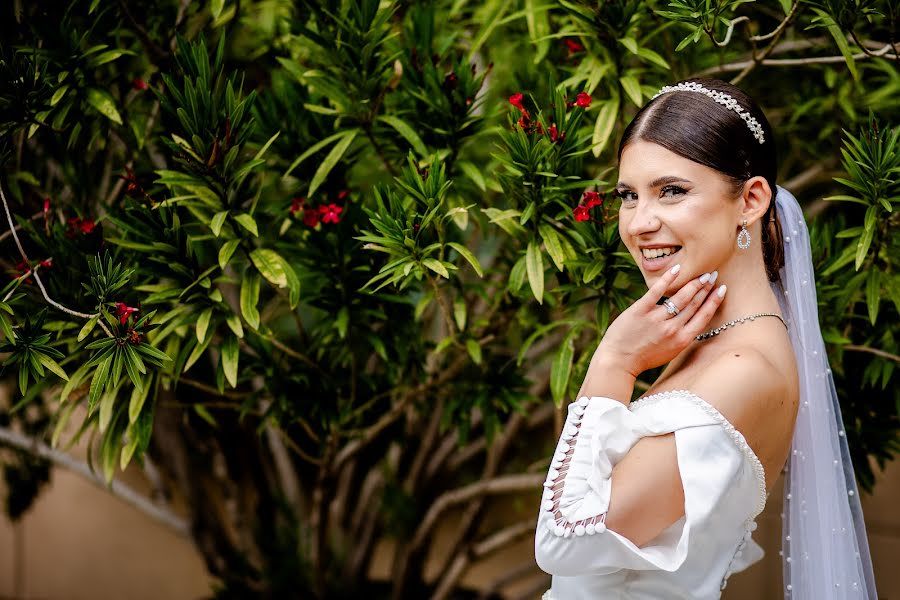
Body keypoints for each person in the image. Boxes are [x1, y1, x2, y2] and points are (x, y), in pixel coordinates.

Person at [534, 78, 877, 599]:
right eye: (629, 195)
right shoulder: (708, 341)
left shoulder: (746, 370)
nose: (640, 223)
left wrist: (614, 363)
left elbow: (563, 544)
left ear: (752, 199)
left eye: (672, 191)